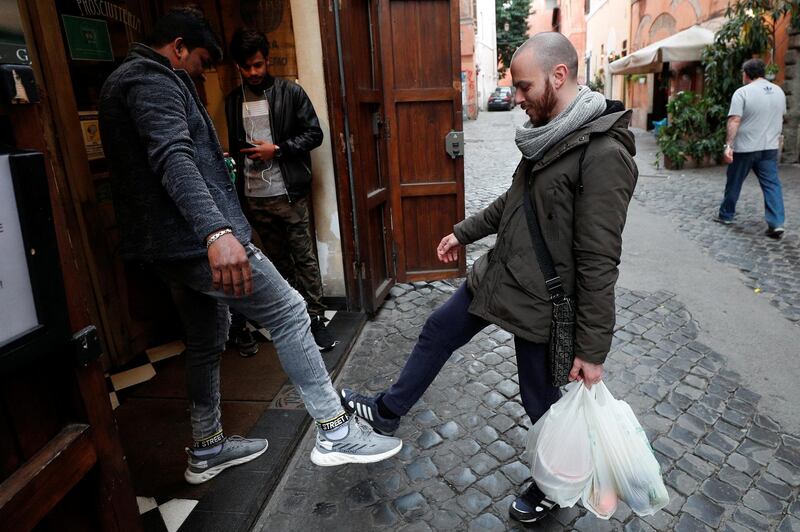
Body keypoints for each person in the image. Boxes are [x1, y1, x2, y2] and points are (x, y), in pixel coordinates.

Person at [340, 32, 638, 525]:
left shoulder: (602, 154)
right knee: (438, 330)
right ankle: (387, 412)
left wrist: (592, 350)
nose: (516, 99)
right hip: (498, 276)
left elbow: (599, 261)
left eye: (523, 87)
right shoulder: (551, 132)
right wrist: (462, 233)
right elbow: (513, 202)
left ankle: (555, 484)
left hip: (540, 300)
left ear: (558, 76)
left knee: (538, 397)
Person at [98, 7, 401, 484]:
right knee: (289, 311)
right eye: (198, 61)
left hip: (173, 245)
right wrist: (215, 232)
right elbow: (173, 158)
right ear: (178, 47)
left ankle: (207, 445)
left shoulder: (130, 80)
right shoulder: (151, 81)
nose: (201, 74)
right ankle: (336, 431)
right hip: (194, 239)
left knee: (204, 337)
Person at [224, 28, 336, 355]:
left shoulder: (290, 93)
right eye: (246, 67)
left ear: (267, 60)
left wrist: (279, 149)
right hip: (254, 198)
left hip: (289, 193)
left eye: (258, 65)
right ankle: (292, 316)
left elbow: (314, 134)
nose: (253, 72)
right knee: (277, 263)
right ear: (238, 67)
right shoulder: (233, 102)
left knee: (304, 258)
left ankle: (316, 319)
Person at [716, 58, 787, 239]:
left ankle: (726, 215)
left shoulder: (743, 92)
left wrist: (728, 145)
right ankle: (776, 222)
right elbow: (781, 117)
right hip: (769, 147)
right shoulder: (779, 91)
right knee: (772, 185)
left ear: (746, 74)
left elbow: (734, 120)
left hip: (746, 147)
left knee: (734, 181)